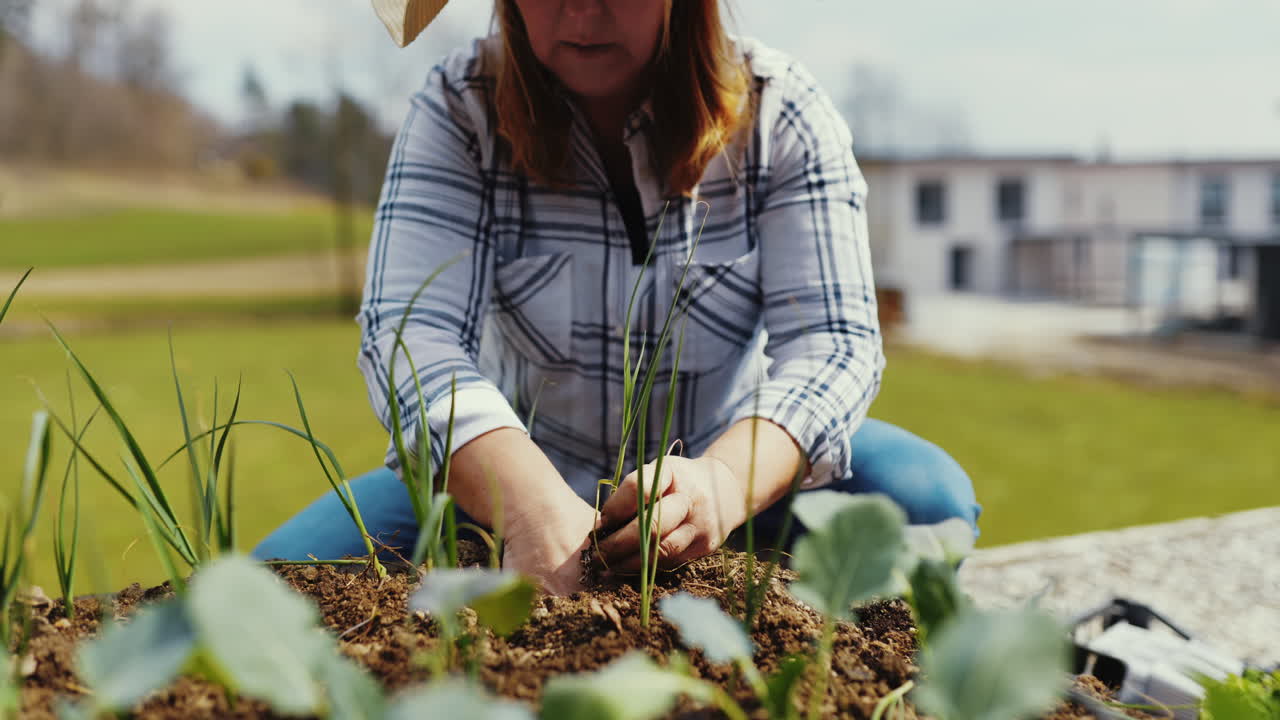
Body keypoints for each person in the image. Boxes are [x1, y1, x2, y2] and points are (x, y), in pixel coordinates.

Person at [254, 0, 980, 594]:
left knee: (926, 503)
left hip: (734, 478)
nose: (582, 10)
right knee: (266, 586)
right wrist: (528, 506)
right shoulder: (459, 111)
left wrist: (722, 486)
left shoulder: (779, 114)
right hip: (503, 480)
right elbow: (408, 338)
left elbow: (835, 345)